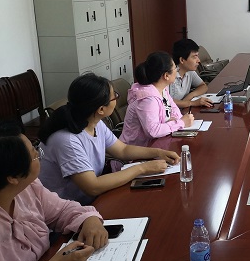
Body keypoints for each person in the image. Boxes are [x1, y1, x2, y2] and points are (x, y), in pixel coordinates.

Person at [0, 121, 108, 261]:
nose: (38, 155)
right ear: (13, 177)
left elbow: (62, 210)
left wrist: (89, 220)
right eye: (34, 154)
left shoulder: (28, 188)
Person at [38, 73, 179, 205]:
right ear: (101, 109)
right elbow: (92, 186)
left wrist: (158, 152)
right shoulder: (67, 140)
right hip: (66, 209)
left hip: (93, 199)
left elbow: (122, 150)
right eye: (115, 96)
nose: (117, 98)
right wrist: (142, 168)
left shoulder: (95, 123)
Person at [120, 51, 194, 147]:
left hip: (157, 143)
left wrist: (175, 122)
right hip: (136, 151)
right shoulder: (147, 99)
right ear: (166, 76)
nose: (177, 70)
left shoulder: (163, 89)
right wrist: (181, 123)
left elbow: (175, 111)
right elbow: (153, 131)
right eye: (175, 68)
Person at [169, 38, 213, 110]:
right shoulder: (169, 75)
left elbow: (203, 86)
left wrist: (191, 95)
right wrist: (192, 103)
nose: (198, 60)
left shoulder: (190, 72)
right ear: (182, 60)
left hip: (184, 110)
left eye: (197, 56)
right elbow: (167, 101)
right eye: (194, 57)